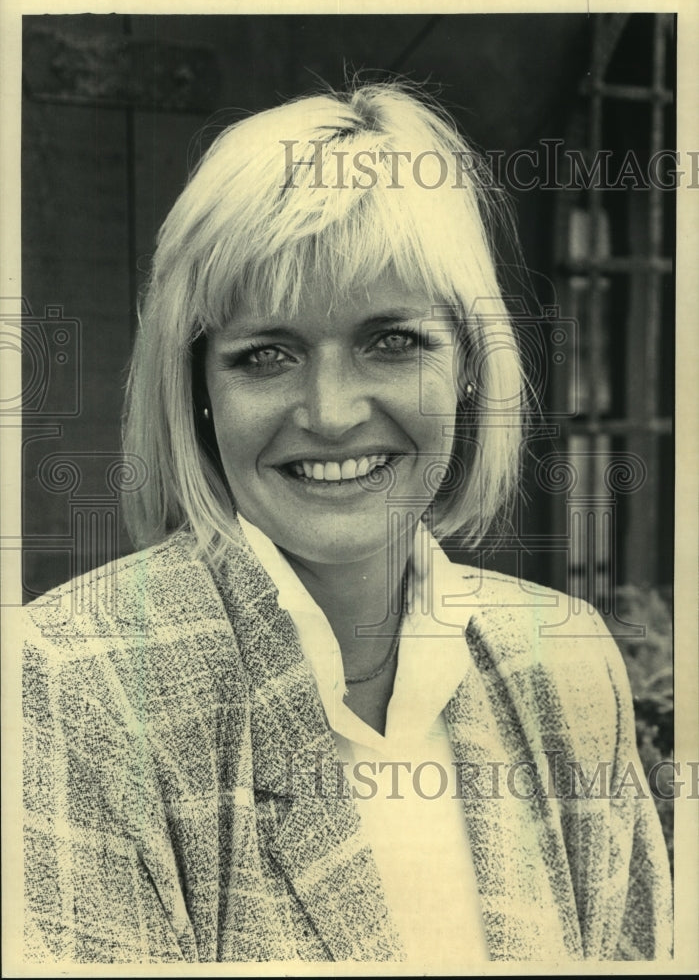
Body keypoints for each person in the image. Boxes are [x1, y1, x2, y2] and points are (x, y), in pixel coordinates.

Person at [22, 81, 672, 965]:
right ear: (199, 392)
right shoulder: (64, 687)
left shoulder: (564, 660)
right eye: (266, 355)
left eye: (391, 340)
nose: (329, 413)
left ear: (471, 365)